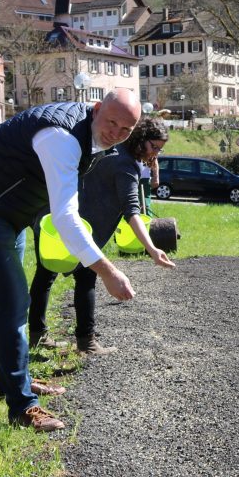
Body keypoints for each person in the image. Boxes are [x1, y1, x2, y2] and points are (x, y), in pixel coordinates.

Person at [0, 89, 142, 432]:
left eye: (126, 130)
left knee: (1, 300)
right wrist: (107, 271)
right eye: (112, 122)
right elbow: (66, 216)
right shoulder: (62, 137)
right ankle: (22, 407)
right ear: (97, 108)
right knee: (13, 302)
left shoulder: (92, 133)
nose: (116, 133)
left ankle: (14, 381)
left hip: (8, 210)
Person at [29, 118, 176, 354]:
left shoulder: (109, 148)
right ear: (141, 140)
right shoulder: (125, 165)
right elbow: (132, 211)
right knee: (86, 278)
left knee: (45, 275)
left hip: (54, 218)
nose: (156, 153)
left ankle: (37, 337)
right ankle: (86, 342)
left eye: (160, 149)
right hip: (80, 227)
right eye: (154, 147)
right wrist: (152, 249)